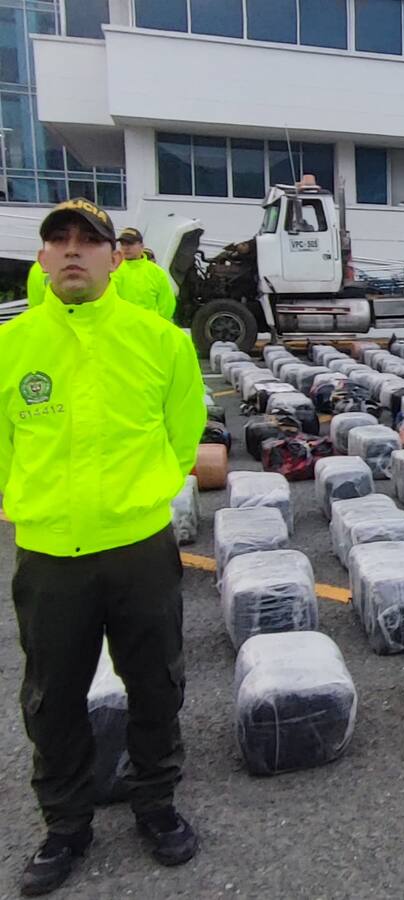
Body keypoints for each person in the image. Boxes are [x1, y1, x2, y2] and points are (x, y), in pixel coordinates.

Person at [0, 199, 205, 896]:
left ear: (116, 257)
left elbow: (184, 435)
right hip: (51, 553)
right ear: (41, 259)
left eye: (88, 240)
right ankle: (65, 825)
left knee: (155, 681)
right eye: (57, 239)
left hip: (136, 547)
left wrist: (138, 494)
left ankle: (156, 804)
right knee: (51, 695)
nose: (71, 250)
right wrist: (29, 503)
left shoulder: (160, 341)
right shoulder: (13, 346)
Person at [112, 228, 177, 321]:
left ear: (142, 246)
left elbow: (167, 304)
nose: (126, 248)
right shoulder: (112, 269)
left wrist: (156, 325)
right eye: (123, 244)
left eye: (130, 243)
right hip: (117, 327)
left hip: (148, 329)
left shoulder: (157, 273)